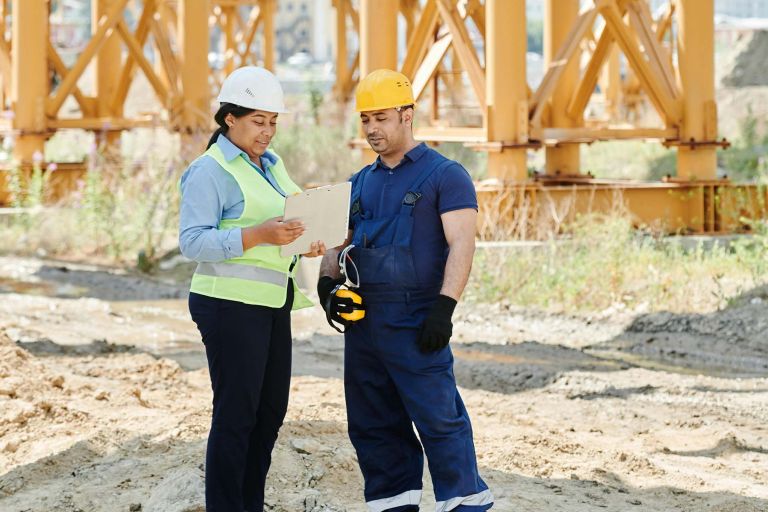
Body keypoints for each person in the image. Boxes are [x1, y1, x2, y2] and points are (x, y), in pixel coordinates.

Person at [317, 69, 493, 511]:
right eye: (365, 120)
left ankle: (465, 504)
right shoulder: (359, 182)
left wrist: (444, 308)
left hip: (417, 320)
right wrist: (326, 284)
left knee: (439, 421)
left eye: (381, 118)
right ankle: (392, 505)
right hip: (365, 325)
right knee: (374, 425)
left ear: (407, 114)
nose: (372, 129)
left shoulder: (445, 176)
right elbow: (337, 242)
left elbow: (462, 243)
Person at [179, 66, 325, 512]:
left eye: (273, 122)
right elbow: (192, 241)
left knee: (268, 416)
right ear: (230, 118)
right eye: (258, 121)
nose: (268, 132)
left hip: (270, 303)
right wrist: (256, 235)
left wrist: (309, 237)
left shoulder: (273, 166)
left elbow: (288, 224)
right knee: (236, 417)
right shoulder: (210, 170)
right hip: (227, 305)